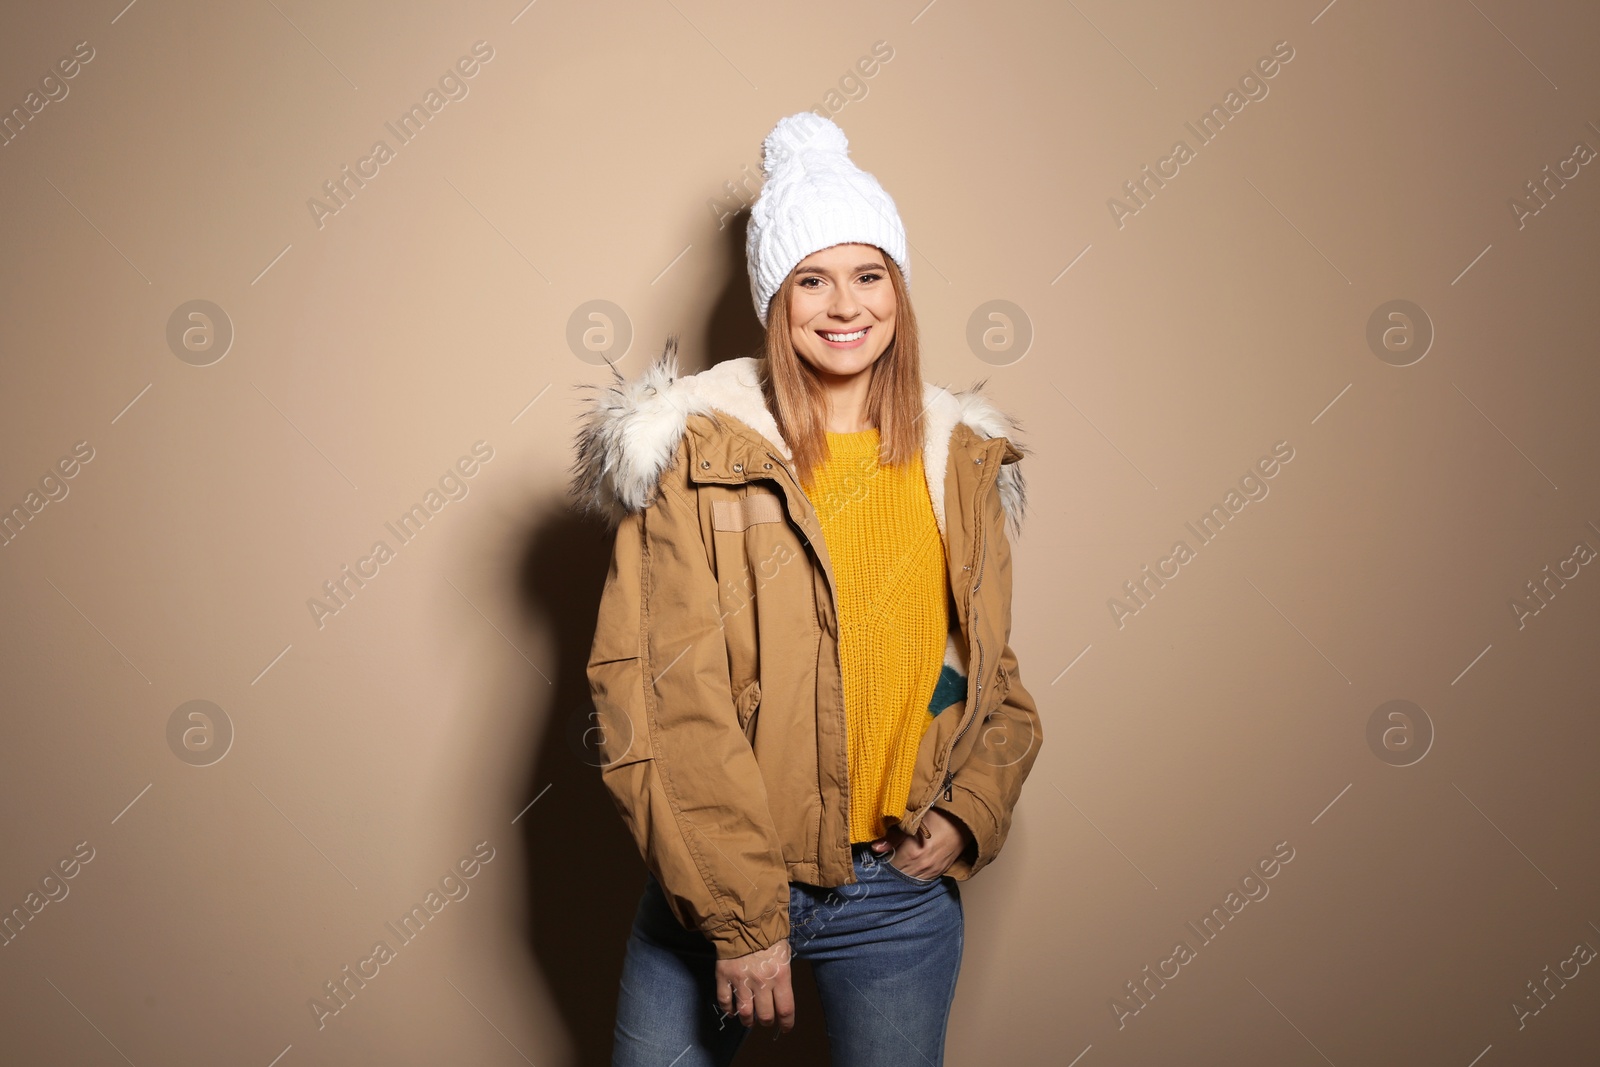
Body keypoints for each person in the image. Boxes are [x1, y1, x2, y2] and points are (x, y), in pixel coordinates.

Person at [570, 111, 1043, 1067]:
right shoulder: (696, 459)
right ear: (774, 298)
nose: (844, 305)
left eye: (869, 274)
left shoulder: (958, 458)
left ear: (898, 292)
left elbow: (987, 676)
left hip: (901, 903)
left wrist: (968, 811)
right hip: (717, 891)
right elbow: (659, 699)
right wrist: (743, 919)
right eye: (811, 279)